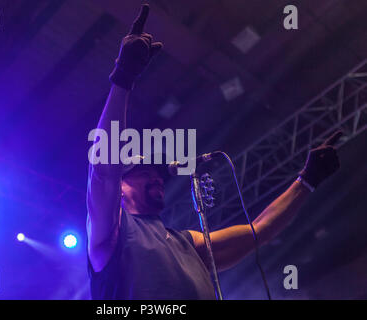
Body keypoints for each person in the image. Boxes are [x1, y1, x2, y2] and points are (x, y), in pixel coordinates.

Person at [86, 4, 342, 300]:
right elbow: (104, 170)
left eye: (156, 173)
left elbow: (258, 231)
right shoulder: (111, 234)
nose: (156, 177)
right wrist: (123, 78)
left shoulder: (188, 243)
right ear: (120, 187)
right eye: (143, 173)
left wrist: (307, 181)